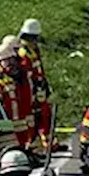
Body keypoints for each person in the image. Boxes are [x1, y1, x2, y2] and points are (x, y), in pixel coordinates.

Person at [0, 37, 37, 152]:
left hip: (23, 125)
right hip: (8, 128)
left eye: (12, 60)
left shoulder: (19, 75)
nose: (11, 64)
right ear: (0, 62)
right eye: (6, 61)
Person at [17, 19, 55, 150]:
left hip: (39, 88)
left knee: (45, 113)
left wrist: (44, 84)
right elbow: (26, 74)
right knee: (32, 117)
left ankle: (48, 141)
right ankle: (32, 144)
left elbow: (39, 69)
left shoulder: (33, 50)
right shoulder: (23, 53)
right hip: (31, 89)